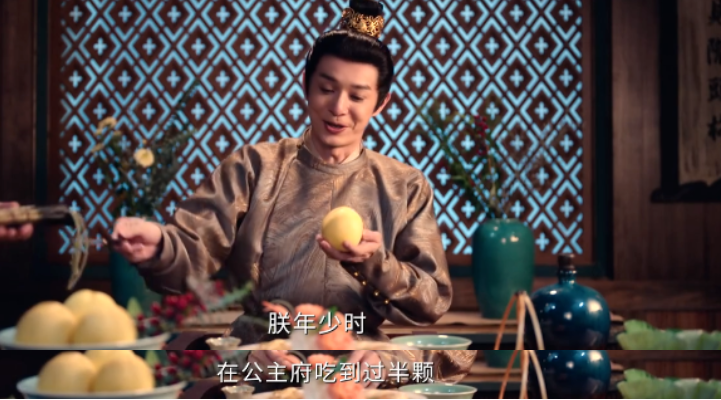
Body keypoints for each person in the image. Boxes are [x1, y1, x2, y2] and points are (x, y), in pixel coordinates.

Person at [111, 0, 475, 387]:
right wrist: (159, 246)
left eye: (357, 97)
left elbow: (430, 300)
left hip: (356, 364)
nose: (338, 108)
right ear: (305, 84)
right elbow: (193, 251)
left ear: (381, 103)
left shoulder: (405, 185)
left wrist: (375, 262)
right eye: (326, 89)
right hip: (259, 356)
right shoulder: (254, 167)